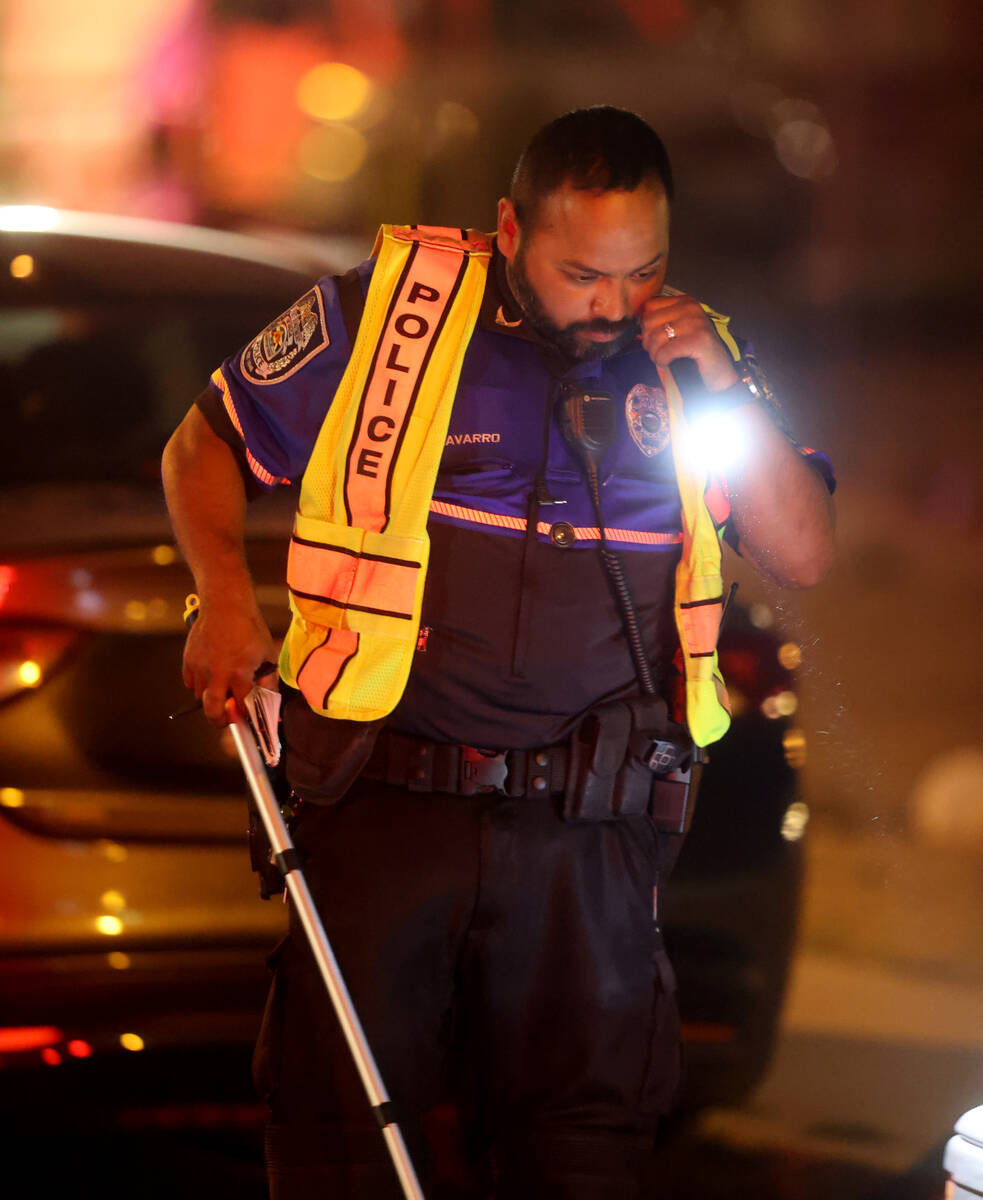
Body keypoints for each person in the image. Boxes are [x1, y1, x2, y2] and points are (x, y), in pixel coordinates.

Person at [162, 106, 835, 1199]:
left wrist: (717, 383)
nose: (613, 306)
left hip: (586, 836)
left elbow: (800, 550)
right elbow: (205, 440)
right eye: (582, 275)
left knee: (580, 1147)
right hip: (386, 808)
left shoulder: (694, 357)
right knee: (342, 1136)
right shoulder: (383, 317)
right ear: (509, 231)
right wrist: (225, 603)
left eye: (641, 272)